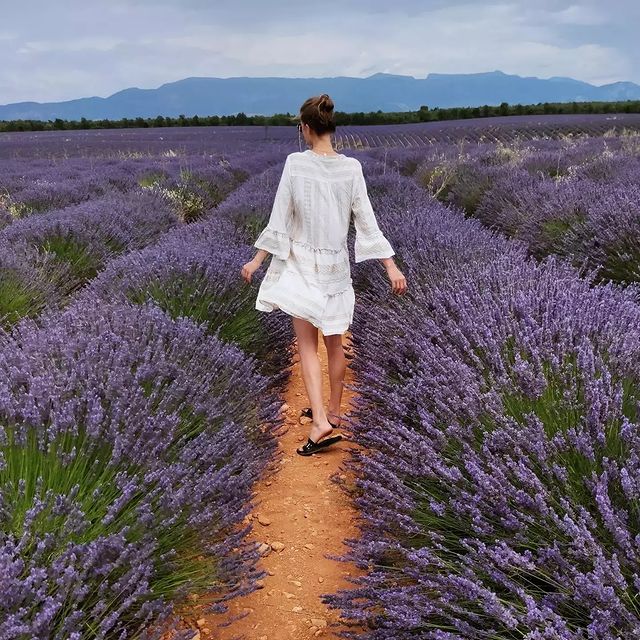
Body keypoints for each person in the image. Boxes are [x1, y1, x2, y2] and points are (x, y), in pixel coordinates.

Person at [241, 93, 407, 457]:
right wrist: (390, 265)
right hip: (336, 269)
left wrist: (257, 260)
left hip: (302, 266)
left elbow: (279, 219)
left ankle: (319, 424)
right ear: (330, 127)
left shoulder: (295, 164)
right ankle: (333, 411)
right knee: (335, 342)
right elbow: (367, 222)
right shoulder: (352, 168)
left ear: (305, 128)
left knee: (307, 346)